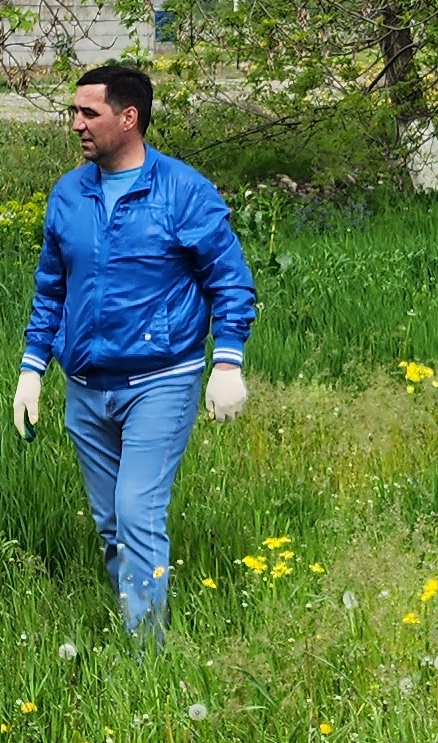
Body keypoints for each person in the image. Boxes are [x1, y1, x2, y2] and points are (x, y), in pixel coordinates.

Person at [15, 63, 258, 639]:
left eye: (89, 113)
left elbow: (230, 281)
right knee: (110, 523)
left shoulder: (183, 191)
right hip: (86, 385)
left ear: (129, 118)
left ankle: (145, 655)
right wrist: (32, 368)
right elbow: (51, 288)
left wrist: (227, 361)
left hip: (161, 380)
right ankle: (136, 622)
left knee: (136, 513)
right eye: (74, 112)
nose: (76, 124)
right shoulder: (69, 194)